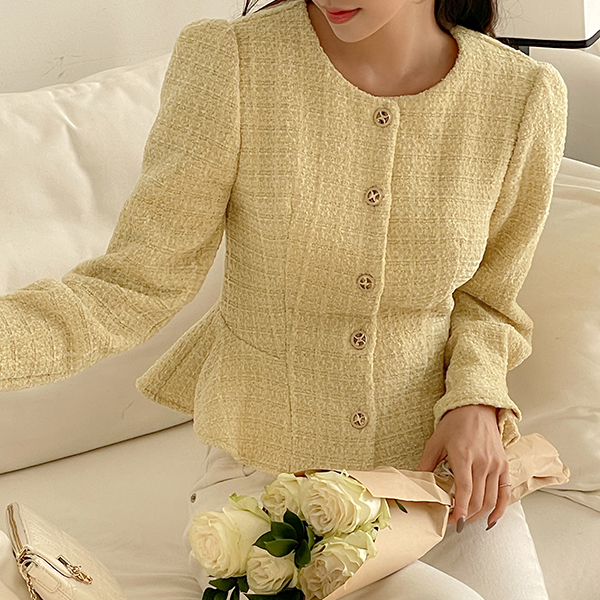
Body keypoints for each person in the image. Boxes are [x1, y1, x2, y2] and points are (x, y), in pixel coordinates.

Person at [0, 0, 567, 598]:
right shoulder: (234, 64)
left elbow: (489, 298)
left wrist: (474, 400)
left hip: (443, 475)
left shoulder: (522, 96)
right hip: (271, 485)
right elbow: (134, 283)